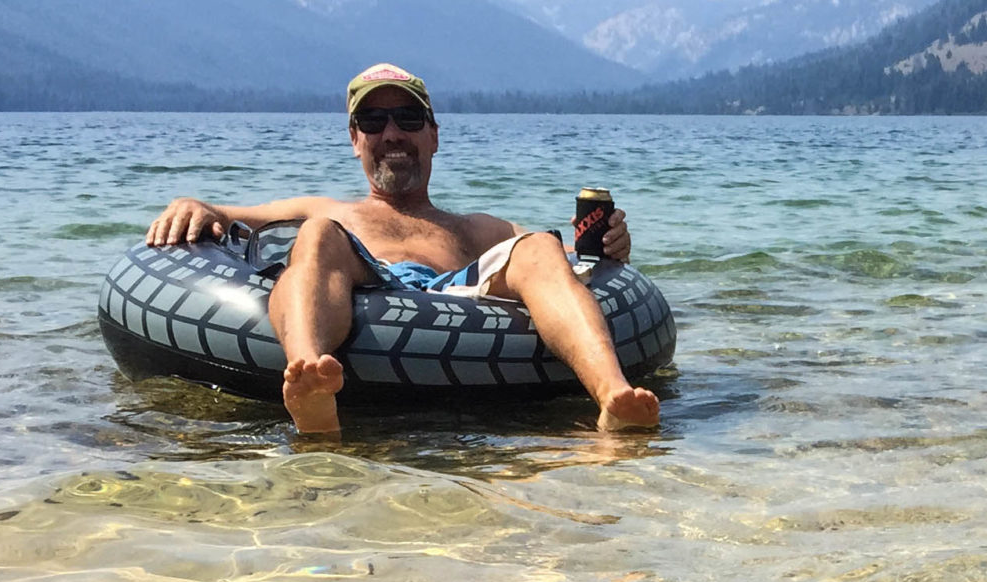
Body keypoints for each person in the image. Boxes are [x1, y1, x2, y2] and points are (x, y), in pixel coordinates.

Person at [143, 65, 660, 436]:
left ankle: (612, 397)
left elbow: (570, 261)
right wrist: (195, 204)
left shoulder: (475, 228)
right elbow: (231, 215)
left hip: (456, 290)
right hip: (368, 278)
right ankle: (309, 379)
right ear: (355, 139)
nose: (391, 133)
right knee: (317, 233)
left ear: (433, 136)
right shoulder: (330, 210)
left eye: (408, 119)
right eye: (373, 122)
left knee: (540, 245)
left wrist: (610, 245)